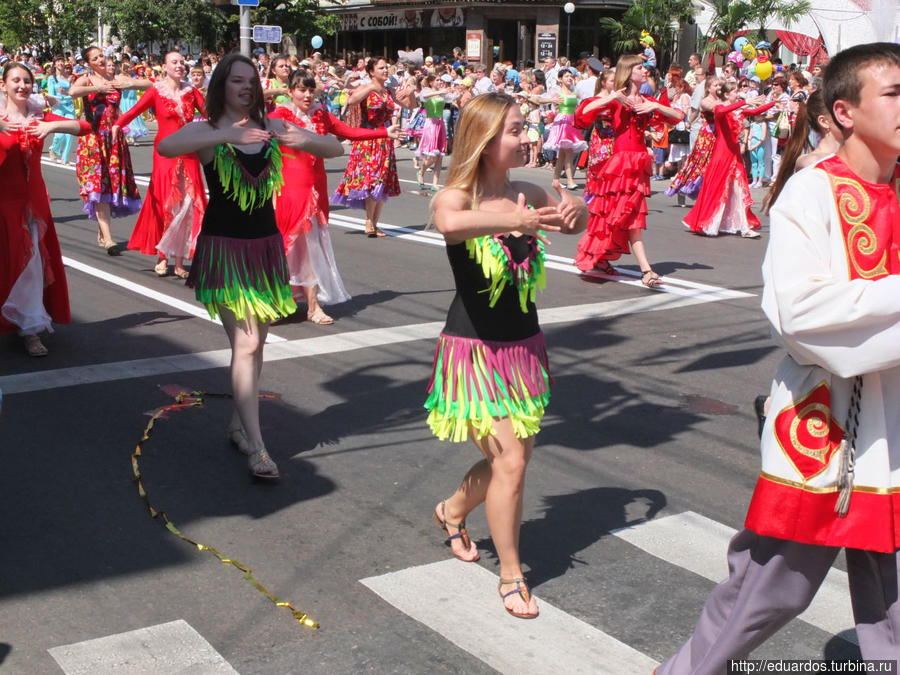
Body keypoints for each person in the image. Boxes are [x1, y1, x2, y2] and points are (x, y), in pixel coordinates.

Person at [657, 42, 900, 674]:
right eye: (895, 94)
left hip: (896, 431)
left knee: (895, 604)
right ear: (843, 111)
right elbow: (801, 317)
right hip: (829, 430)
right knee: (768, 592)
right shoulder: (810, 194)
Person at [427, 92, 587, 619]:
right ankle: (512, 574)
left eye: (527, 128)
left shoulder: (526, 189)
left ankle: (452, 511)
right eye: (517, 130)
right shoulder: (457, 195)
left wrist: (574, 209)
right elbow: (449, 227)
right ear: (486, 138)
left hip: (522, 352)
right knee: (511, 462)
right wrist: (510, 224)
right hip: (472, 354)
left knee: (510, 463)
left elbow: (574, 223)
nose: (528, 137)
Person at [156, 54, 343, 480]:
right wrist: (223, 133)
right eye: (237, 81)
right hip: (225, 250)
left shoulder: (272, 126)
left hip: (266, 250)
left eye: (251, 81)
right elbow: (167, 147)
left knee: (257, 345)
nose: (246, 87)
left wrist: (302, 140)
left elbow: (334, 147)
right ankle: (258, 448)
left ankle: (240, 425)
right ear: (221, 85)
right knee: (245, 344)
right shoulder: (208, 134)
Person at [269, 69, 402, 324]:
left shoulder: (321, 115)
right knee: (286, 247)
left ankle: (313, 306)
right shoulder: (279, 116)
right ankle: (277, 301)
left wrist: (384, 133)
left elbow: (349, 132)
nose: (307, 95)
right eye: (301, 89)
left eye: (310, 89)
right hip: (287, 190)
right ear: (290, 91)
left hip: (316, 188)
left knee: (313, 249)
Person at [1, 62, 91, 356]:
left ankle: (31, 329)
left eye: (27, 81)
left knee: (31, 264)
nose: (22, 86)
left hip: (34, 204)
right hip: (4, 202)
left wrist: (52, 125)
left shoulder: (39, 116)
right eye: (15, 80)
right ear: (3, 85)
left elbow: (85, 127)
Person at [573, 55, 683, 284]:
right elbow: (581, 114)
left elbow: (678, 117)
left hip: (639, 163)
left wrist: (655, 105)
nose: (645, 72)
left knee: (631, 216)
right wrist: (611, 97)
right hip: (619, 164)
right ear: (628, 71)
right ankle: (641, 269)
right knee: (610, 215)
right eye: (640, 68)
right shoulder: (616, 98)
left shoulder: (645, 99)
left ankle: (643, 270)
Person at [112, 50, 207, 278]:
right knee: (167, 203)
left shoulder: (191, 92)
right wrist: (117, 125)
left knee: (188, 205)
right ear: (164, 66)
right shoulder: (156, 90)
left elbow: (210, 114)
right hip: (164, 155)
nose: (179, 65)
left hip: (188, 153)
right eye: (174, 62)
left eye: (182, 62)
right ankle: (162, 256)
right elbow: (135, 111)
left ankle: (180, 261)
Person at [69, 47, 149, 255]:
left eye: (101, 56)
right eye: (95, 58)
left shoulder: (117, 78)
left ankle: (102, 231)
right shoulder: (86, 80)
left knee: (111, 187)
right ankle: (109, 238)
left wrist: (130, 83)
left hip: (113, 139)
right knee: (98, 185)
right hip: (93, 139)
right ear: (89, 63)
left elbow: (151, 85)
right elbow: (73, 91)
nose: (100, 60)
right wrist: (97, 90)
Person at [331, 57, 415, 238]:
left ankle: (375, 223)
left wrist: (411, 91)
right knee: (372, 181)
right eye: (381, 68)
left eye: (387, 68)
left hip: (386, 141)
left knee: (382, 183)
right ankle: (369, 221)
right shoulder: (365, 88)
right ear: (371, 71)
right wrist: (370, 87)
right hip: (368, 140)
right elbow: (351, 101)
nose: (385, 71)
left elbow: (410, 105)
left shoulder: (389, 91)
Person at [682, 81, 772, 238]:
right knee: (718, 189)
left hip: (734, 154)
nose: (738, 94)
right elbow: (724, 110)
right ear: (726, 95)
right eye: (735, 92)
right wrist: (745, 102)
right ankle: (710, 222)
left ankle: (744, 227)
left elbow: (755, 111)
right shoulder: (719, 108)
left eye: (738, 91)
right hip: (722, 154)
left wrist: (773, 103)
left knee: (739, 189)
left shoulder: (737, 110)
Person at [666, 75, 720, 207]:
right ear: (708, 88)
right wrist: (689, 122)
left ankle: (707, 196)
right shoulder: (706, 100)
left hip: (717, 137)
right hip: (706, 138)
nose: (719, 88)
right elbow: (712, 109)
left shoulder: (721, 99)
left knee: (711, 168)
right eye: (716, 86)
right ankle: (682, 190)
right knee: (696, 165)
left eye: (720, 85)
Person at [575, 70, 617, 205]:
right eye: (612, 81)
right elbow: (584, 111)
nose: (614, 83)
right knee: (599, 167)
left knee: (613, 168)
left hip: (615, 137)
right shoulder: (596, 99)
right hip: (600, 137)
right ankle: (595, 196)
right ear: (604, 83)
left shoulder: (616, 97)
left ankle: (609, 196)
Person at [543, 67, 587, 191]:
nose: (570, 78)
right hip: (562, 121)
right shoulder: (557, 91)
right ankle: (570, 180)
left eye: (571, 76)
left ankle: (556, 180)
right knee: (568, 152)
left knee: (563, 154)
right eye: (567, 76)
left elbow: (586, 99)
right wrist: (552, 100)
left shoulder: (574, 91)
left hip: (572, 121)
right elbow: (539, 99)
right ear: (560, 79)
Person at [415, 75, 452, 191]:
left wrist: (459, 92)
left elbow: (452, 99)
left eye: (440, 80)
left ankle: (434, 183)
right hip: (431, 123)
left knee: (440, 155)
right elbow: (423, 97)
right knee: (432, 155)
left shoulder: (441, 93)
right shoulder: (427, 91)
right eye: (437, 80)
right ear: (431, 82)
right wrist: (440, 91)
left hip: (440, 124)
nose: (440, 82)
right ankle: (421, 171)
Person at [45, 58, 76, 165]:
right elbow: (51, 94)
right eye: (58, 61)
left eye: (62, 61)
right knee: (60, 134)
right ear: (54, 64)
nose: (60, 63)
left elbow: (73, 92)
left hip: (69, 107)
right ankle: (53, 148)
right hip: (58, 107)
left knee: (69, 134)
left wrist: (67, 91)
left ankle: (65, 158)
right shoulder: (52, 79)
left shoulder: (69, 78)